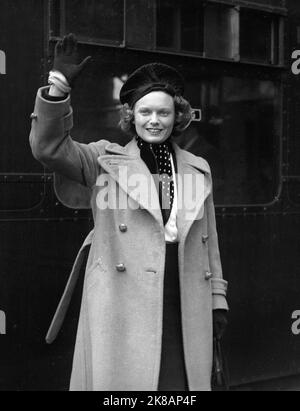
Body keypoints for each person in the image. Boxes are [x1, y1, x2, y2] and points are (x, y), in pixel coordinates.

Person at [29, 34, 229, 391]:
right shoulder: (103, 160)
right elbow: (49, 147)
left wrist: (217, 300)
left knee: (177, 388)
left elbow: (207, 240)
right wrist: (57, 90)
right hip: (123, 303)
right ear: (131, 116)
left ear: (177, 116)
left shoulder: (198, 168)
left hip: (183, 297)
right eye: (145, 112)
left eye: (163, 112)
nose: (154, 121)